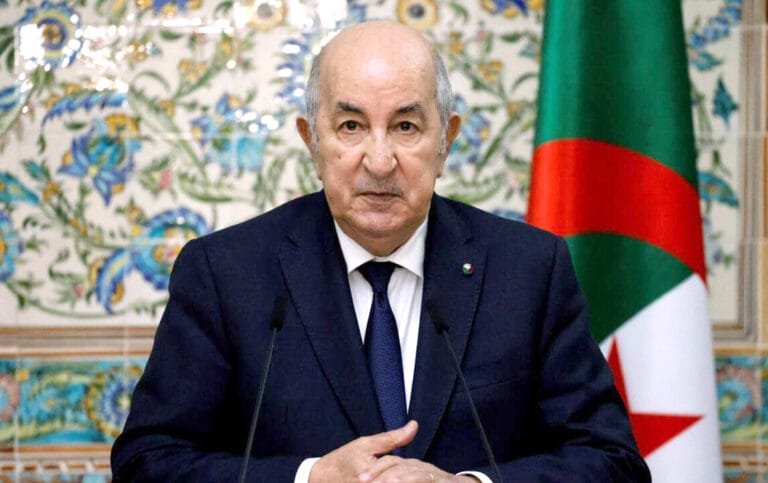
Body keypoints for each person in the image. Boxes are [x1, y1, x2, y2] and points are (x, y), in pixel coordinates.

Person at [111, 20, 650, 482]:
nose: (379, 160)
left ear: (446, 141)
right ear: (312, 142)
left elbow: (613, 462)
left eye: (405, 126)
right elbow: (147, 463)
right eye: (350, 126)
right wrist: (310, 477)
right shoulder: (226, 274)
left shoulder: (528, 270)